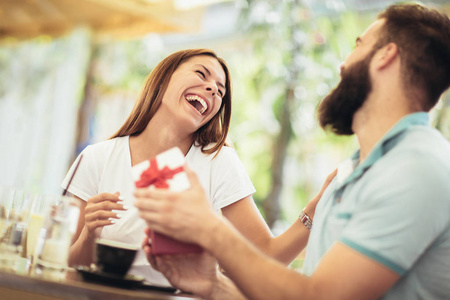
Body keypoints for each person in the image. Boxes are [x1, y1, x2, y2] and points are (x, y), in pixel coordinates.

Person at [134, 3, 450, 299]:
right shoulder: (356, 172)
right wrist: (213, 284)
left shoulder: (417, 169)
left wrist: (209, 228)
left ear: (386, 56)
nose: (343, 64)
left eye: (358, 45)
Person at [62, 48, 333, 285]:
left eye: (220, 90)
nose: (213, 89)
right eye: (201, 74)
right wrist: (89, 234)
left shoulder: (218, 162)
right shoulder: (97, 158)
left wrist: (314, 209)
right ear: (164, 77)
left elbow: (267, 256)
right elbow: (63, 263)